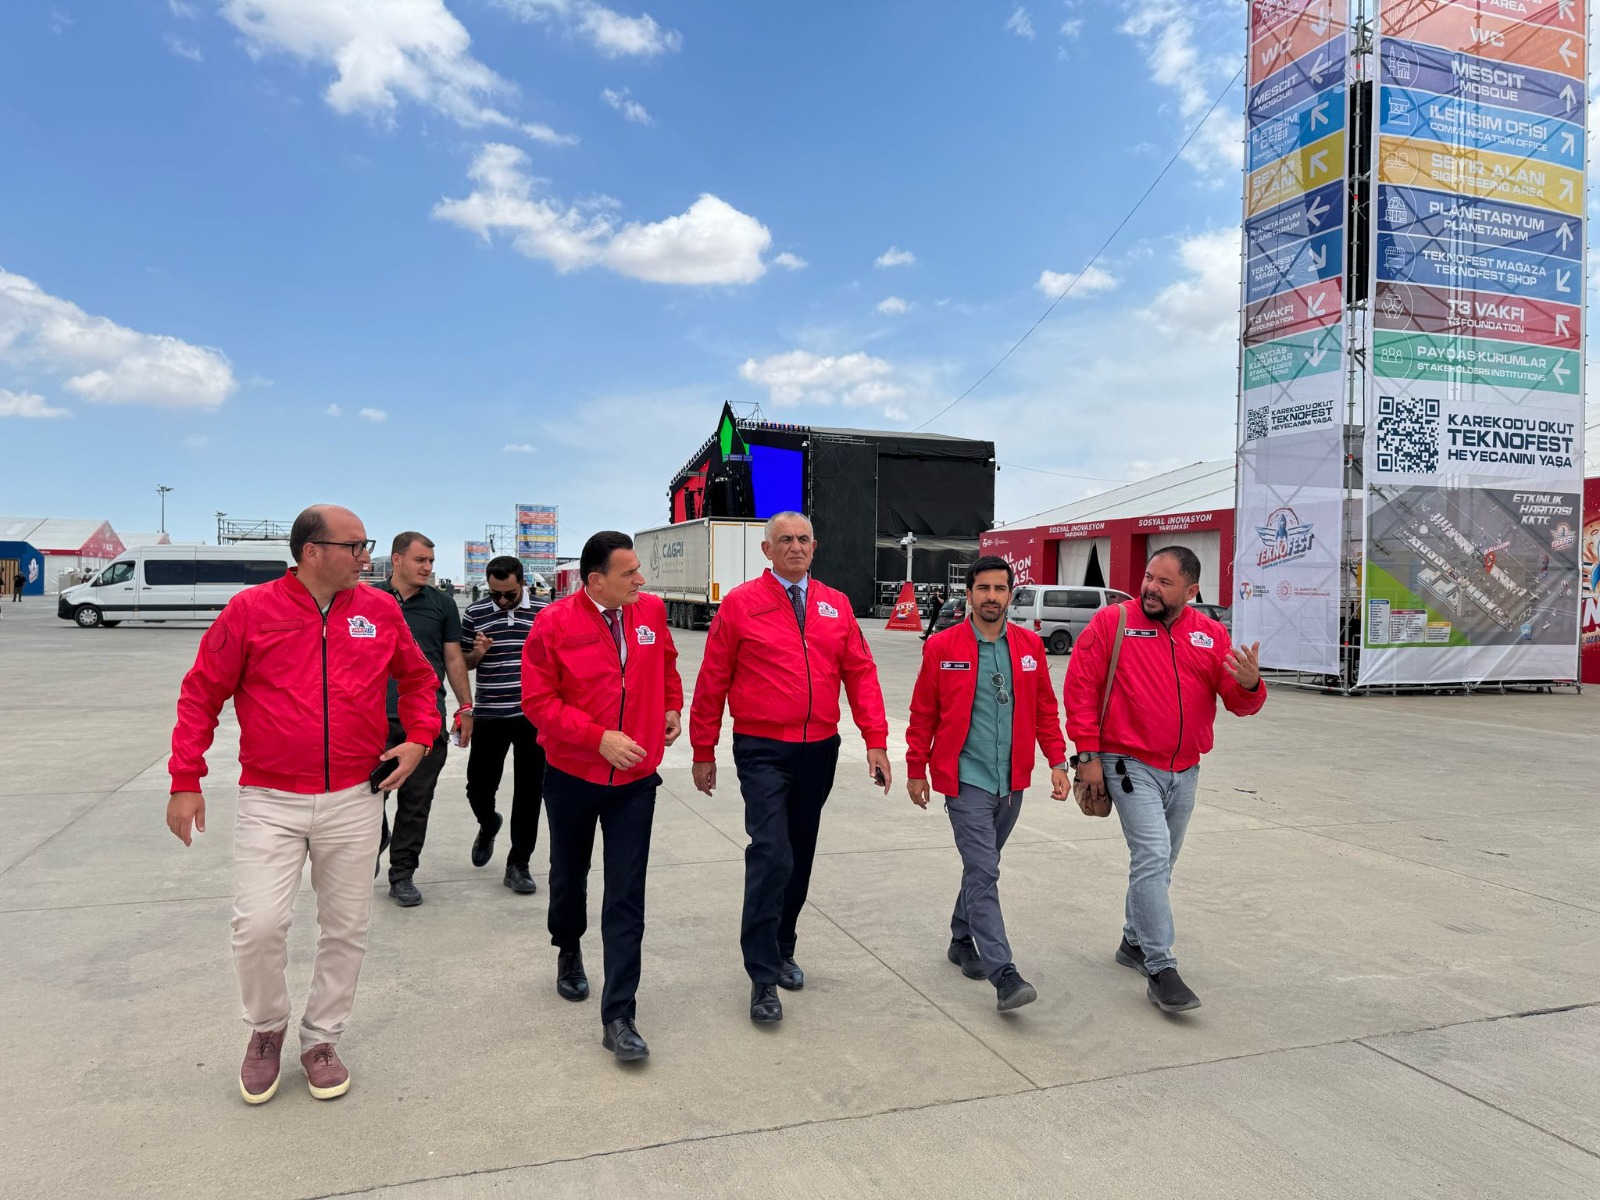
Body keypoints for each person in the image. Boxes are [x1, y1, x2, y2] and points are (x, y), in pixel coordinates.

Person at [166, 504, 438, 1104]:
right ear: (313, 552)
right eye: (355, 545)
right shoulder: (251, 611)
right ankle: (267, 1029)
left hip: (355, 797)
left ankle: (321, 1039)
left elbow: (420, 679)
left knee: (346, 927)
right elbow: (201, 692)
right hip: (271, 798)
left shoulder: (379, 610)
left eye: (366, 544)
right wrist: (186, 777)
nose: (366, 557)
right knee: (258, 926)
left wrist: (420, 737)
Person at [690, 511, 891, 1024]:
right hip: (762, 749)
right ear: (767, 550)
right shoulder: (741, 605)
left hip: (819, 748)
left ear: (814, 547)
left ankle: (783, 947)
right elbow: (712, 680)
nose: (795, 547)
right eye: (784, 540)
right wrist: (702, 749)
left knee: (798, 855)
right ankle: (762, 977)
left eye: (803, 539)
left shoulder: (835, 604)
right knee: (771, 853)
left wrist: (875, 740)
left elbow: (860, 673)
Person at [1064, 546, 1265, 1014]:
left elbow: (1237, 701)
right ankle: (1161, 968)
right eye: (1149, 577)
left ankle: (1133, 942)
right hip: (1128, 762)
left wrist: (1250, 685)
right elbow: (1080, 689)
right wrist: (1088, 756)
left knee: (1161, 863)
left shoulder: (1210, 634)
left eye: (1164, 582)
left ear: (1191, 591)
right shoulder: (1112, 622)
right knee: (1152, 856)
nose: (1150, 587)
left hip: (1185, 769)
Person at [521, 532, 682, 1063]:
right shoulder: (554, 623)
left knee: (626, 894)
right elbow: (538, 702)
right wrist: (597, 738)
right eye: (629, 573)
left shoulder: (650, 612)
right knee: (569, 875)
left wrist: (671, 706)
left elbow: (668, 663)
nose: (641, 580)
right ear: (595, 580)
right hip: (573, 774)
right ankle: (568, 947)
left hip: (634, 779)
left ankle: (619, 1016)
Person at [906, 556, 1070, 1011]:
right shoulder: (942, 647)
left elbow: (1044, 709)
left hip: (1011, 781)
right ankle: (1004, 974)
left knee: (982, 866)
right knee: (984, 870)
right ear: (970, 594)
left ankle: (961, 938)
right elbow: (923, 713)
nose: (992, 597)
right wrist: (916, 768)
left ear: (1010, 594)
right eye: (983, 588)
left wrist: (1057, 760)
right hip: (965, 780)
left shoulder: (1029, 646)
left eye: (1000, 589)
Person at [374, 531, 474, 906]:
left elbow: (453, 658)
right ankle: (375, 841)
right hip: (373, 720)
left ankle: (402, 874)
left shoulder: (442, 604)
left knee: (416, 803)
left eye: (431, 561)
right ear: (397, 559)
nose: (428, 568)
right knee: (368, 799)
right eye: (420, 560)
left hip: (425, 720)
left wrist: (466, 707)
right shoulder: (369, 600)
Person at [460, 556, 548, 894]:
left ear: (523, 583)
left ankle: (518, 864)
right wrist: (477, 654)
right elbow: (463, 662)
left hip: (533, 717)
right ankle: (488, 822)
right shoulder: (475, 613)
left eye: (508, 594)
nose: (501, 600)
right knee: (478, 788)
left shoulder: (544, 612)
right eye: (494, 594)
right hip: (490, 714)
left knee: (529, 792)